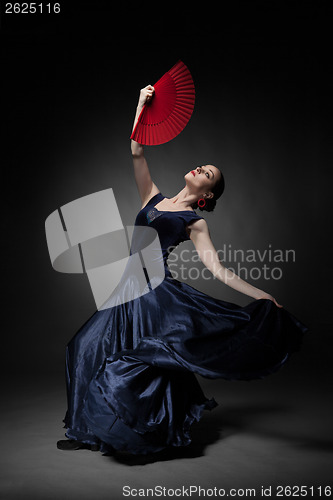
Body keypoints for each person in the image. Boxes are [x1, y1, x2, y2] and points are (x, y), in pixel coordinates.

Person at [57, 85, 307, 454]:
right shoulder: (153, 198)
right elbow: (136, 150)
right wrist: (141, 105)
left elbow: (218, 269)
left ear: (207, 194)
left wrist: (261, 294)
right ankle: (85, 431)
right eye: (203, 165)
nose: (200, 168)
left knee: (144, 361)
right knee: (83, 348)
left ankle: (140, 431)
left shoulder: (194, 222)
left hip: (154, 294)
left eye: (207, 173)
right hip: (123, 289)